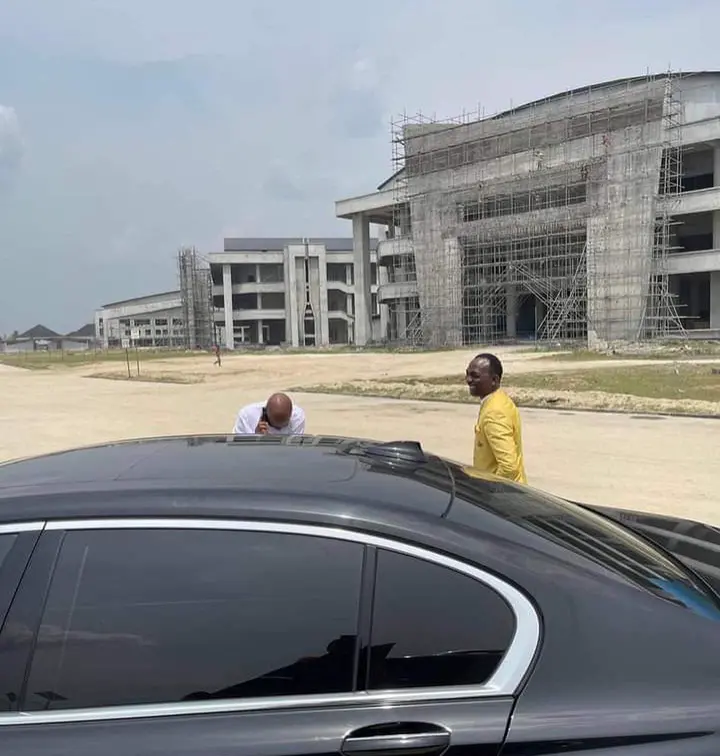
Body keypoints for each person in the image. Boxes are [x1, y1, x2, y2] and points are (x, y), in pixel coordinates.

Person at [465, 353, 527, 484]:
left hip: (503, 496)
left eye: (475, 376)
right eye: (468, 374)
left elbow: (509, 468)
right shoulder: (499, 400)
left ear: (494, 380)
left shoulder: (494, 412)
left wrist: (488, 489)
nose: (468, 379)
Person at [232, 392, 306, 436]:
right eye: (275, 426)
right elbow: (238, 450)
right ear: (265, 413)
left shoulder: (297, 417)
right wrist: (255, 438)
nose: (279, 429)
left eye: (283, 425)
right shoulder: (246, 416)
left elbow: (294, 449)